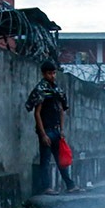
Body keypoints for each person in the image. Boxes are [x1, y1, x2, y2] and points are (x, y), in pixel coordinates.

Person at [27, 61, 81, 194]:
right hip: (46, 129)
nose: (53, 76)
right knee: (45, 160)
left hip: (56, 130)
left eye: (54, 73)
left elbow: (61, 110)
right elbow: (37, 113)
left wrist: (62, 130)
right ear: (44, 74)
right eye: (50, 73)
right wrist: (43, 133)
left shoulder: (56, 90)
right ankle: (46, 187)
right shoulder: (41, 90)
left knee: (61, 159)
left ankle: (70, 185)